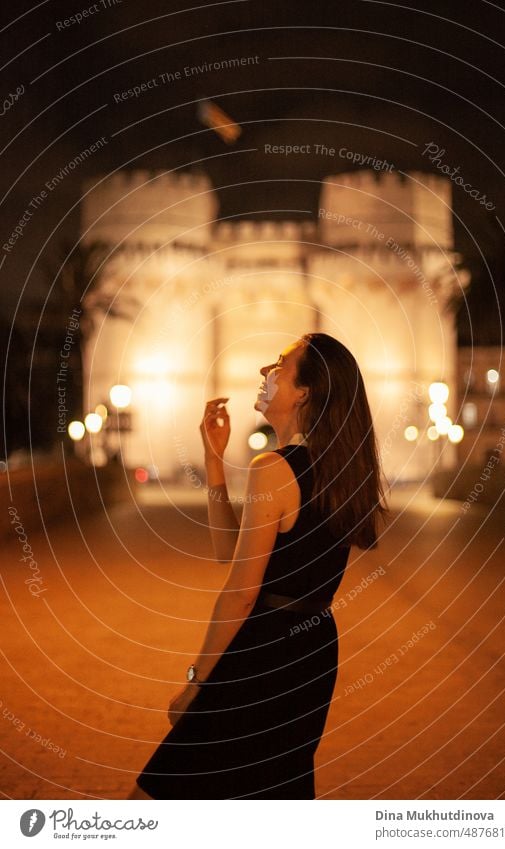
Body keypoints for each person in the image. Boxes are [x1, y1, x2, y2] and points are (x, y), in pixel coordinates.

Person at [129, 332, 388, 799]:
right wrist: (214, 460)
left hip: (262, 650)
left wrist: (196, 684)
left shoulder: (276, 467)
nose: (264, 373)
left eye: (279, 366)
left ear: (304, 392)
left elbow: (240, 590)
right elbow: (229, 549)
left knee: (157, 801)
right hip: (312, 650)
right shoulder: (339, 468)